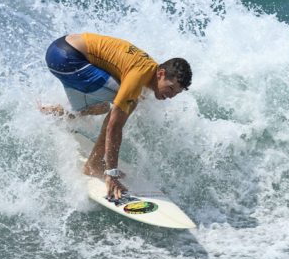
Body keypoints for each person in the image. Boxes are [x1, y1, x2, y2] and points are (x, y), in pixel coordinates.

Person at [43, 33, 192, 200]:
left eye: (176, 93)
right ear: (161, 74)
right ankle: (94, 164)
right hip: (69, 59)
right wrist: (112, 173)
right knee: (127, 105)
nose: (170, 96)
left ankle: (60, 113)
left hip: (58, 51)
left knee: (104, 106)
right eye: (170, 88)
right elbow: (115, 127)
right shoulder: (138, 76)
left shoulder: (148, 68)